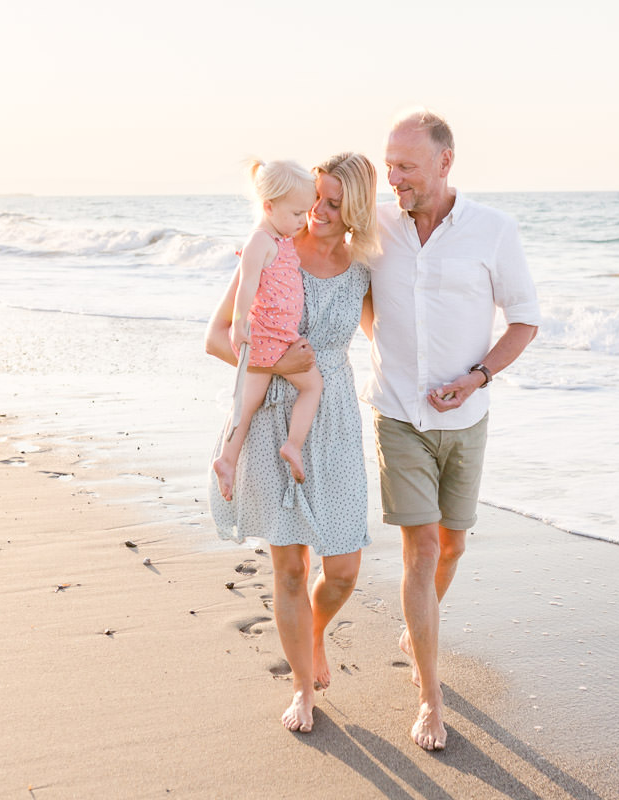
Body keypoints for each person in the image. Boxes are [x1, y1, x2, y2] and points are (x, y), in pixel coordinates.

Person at [363, 109, 541, 751]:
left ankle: (421, 625)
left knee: (455, 545)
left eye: (405, 165)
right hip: (398, 415)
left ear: (445, 162)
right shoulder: (377, 224)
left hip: (467, 417)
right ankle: (429, 699)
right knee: (422, 551)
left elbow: (523, 321)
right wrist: (382, 350)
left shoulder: (493, 230)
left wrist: (476, 378)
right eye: (389, 164)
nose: (394, 177)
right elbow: (355, 289)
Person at [207, 152, 380, 734]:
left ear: (355, 207)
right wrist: (278, 365)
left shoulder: (364, 266)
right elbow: (216, 337)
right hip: (273, 412)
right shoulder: (275, 247)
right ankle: (304, 688)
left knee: (344, 569)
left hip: (333, 422)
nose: (320, 212)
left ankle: (313, 631)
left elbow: (393, 337)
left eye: (335, 203)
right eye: (317, 198)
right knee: (287, 569)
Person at [212, 159, 322, 501]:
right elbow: (246, 286)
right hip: (268, 338)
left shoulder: (281, 236)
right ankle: (293, 444)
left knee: (246, 406)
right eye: (296, 214)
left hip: (279, 337)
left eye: (306, 213)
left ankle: (228, 460)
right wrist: (240, 323)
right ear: (268, 206)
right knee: (312, 386)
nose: (302, 221)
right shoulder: (260, 240)